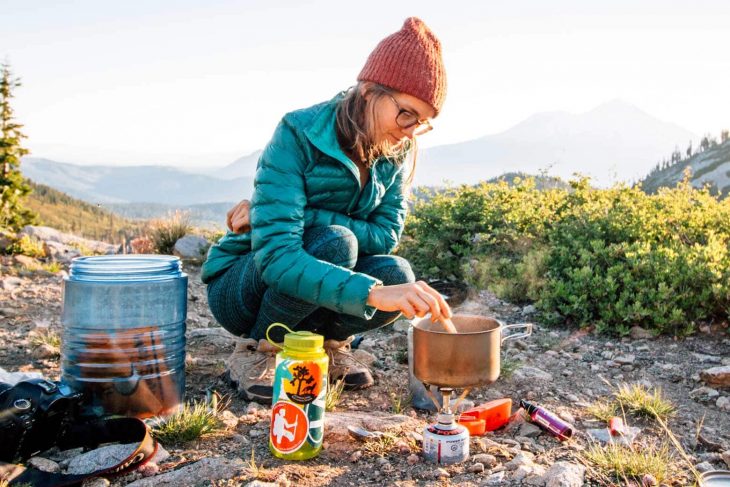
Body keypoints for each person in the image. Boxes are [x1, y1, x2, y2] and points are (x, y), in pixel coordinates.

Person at [202, 17, 452, 403]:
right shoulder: (297, 133)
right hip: (244, 290)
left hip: (313, 282)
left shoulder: (396, 151)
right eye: (406, 114)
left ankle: (328, 346)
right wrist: (372, 294)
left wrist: (307, 215)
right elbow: (278, 259)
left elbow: (385, 236)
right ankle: (258, 351)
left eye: (423, 123)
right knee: (338, 243)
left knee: (398, 273)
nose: (410, 131)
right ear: (369, 91)